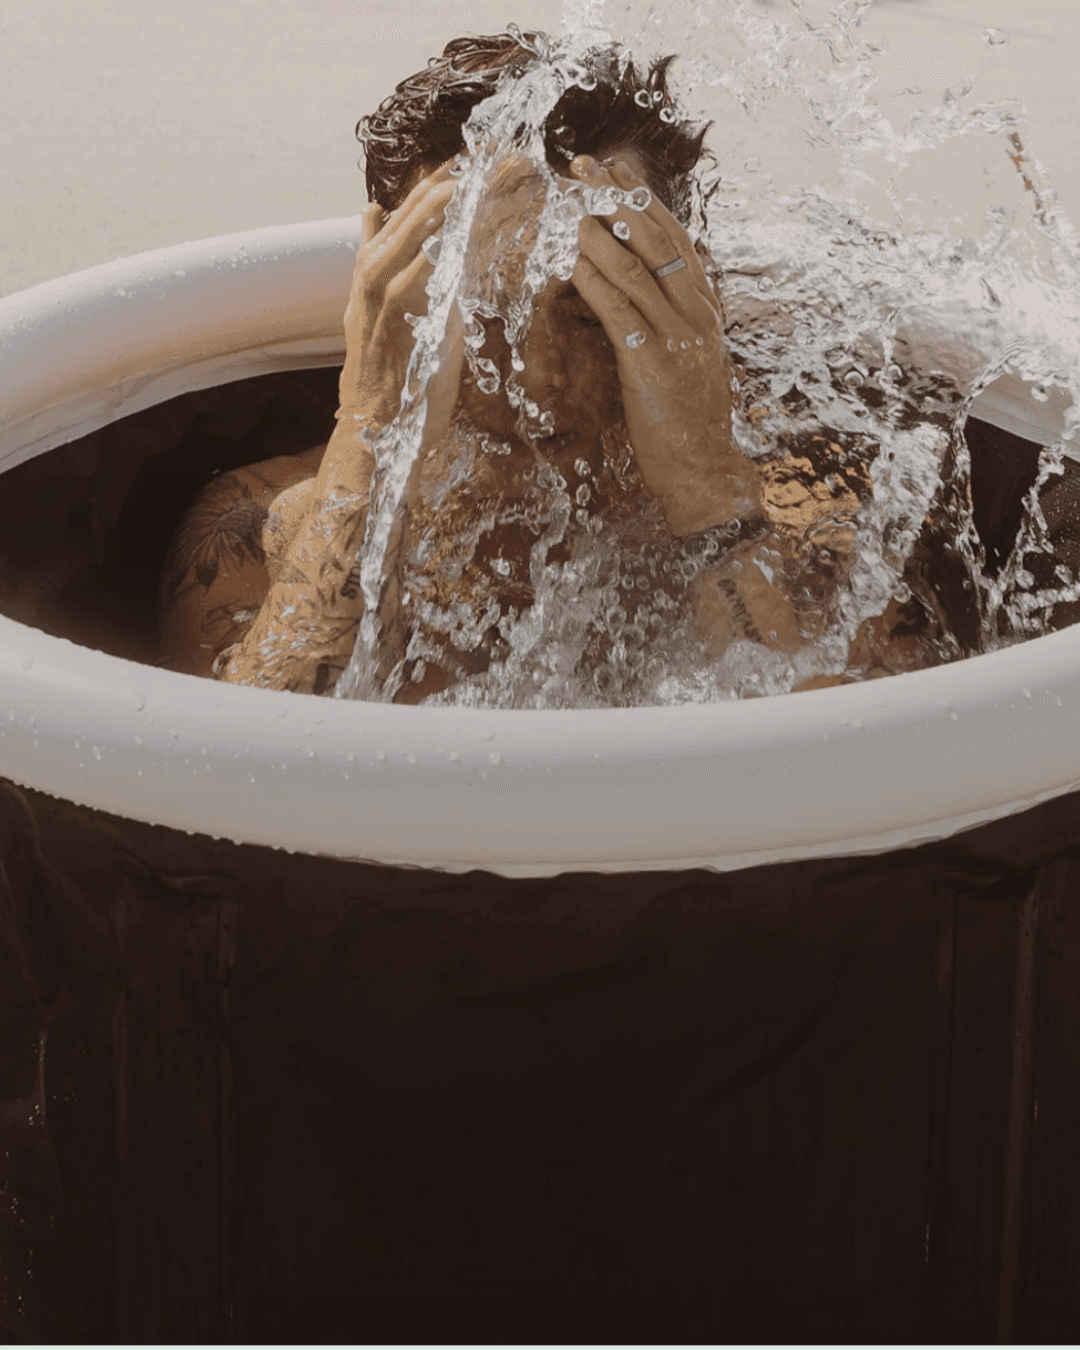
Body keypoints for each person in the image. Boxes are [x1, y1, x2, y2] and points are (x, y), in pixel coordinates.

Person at [156, 29, 942, 702]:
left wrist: (709, 493)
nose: (537, 381)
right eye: (481, 314)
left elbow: (828, 808)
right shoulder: (262, 525)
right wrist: (368, 439)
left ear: (687, 296)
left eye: (586, 311)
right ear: (388, 305)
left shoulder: (814, 522)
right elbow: (257, 801)